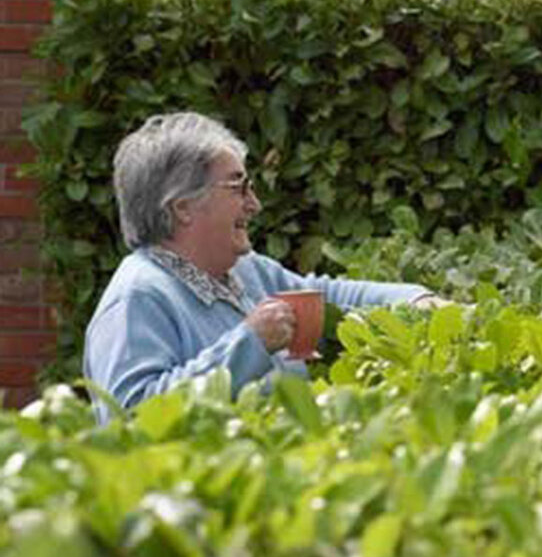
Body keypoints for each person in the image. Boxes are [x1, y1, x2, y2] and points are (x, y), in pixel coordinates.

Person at [84, 112, 443, 423]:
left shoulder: (247, 271)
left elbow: (327, 295)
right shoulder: (137, 298)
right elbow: (131, 417)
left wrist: (419, 302)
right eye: (238, 187)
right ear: (183, 207)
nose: (254, 204)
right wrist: (250, 344)